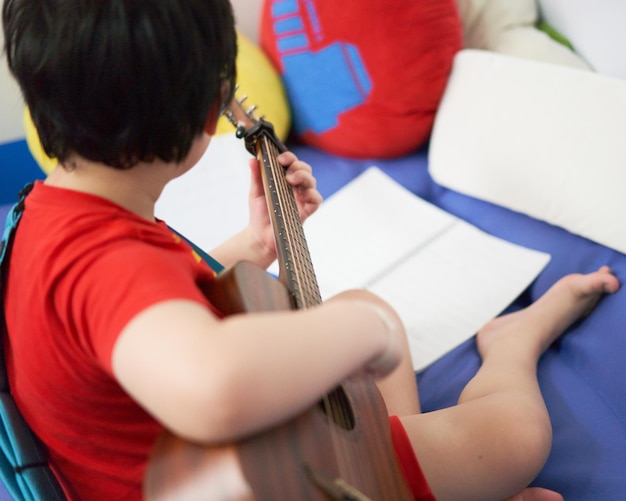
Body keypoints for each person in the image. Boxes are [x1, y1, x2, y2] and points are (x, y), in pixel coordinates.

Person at [1, 1, 619, 500]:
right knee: (516, 436)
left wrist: (254, 245)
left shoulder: (51, 214)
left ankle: (414, 471)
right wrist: (364, 330)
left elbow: (141, 316)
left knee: (358, 307)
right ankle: (508, 348)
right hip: (257, 475)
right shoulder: (104, 261)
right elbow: (213, 382)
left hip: (201, 459)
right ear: (202, 117)